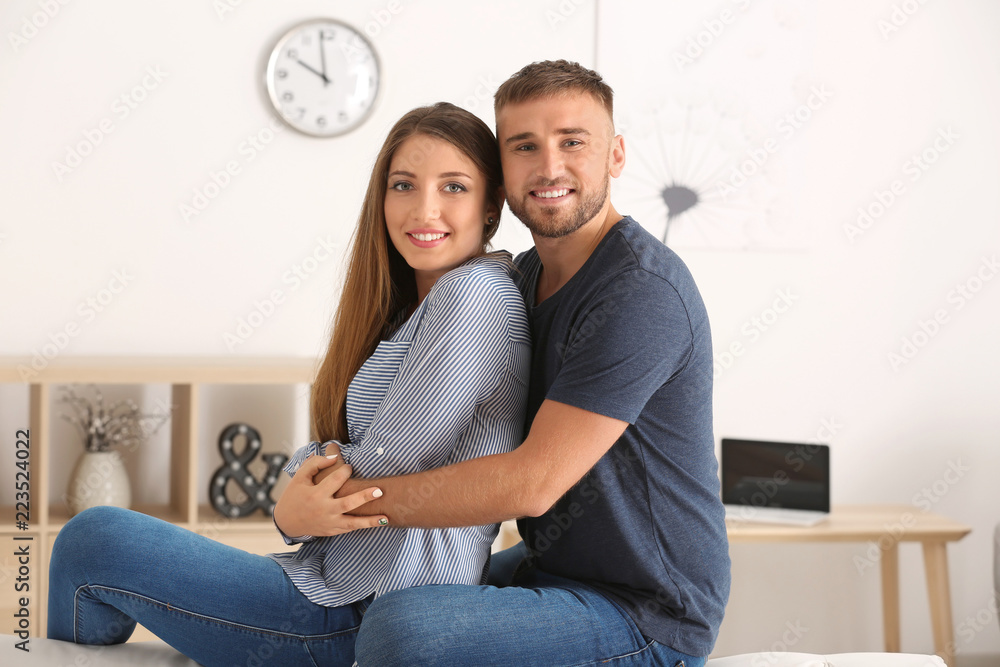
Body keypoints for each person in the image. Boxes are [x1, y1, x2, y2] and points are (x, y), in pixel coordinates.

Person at [46, 102, 531, 667]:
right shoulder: (412, 308)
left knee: (93, 540)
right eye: (404, 185)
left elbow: (380, 468)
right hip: (328, 589)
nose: (425, 208)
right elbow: (344, 458)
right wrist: (293, 502)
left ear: (491, 205)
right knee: (93, 545)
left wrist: (293, 498)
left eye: (454, 186)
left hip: (365, 615)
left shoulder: (474, 294)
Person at [321, 60, 731, 667]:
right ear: (501, 171)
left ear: (616, 155)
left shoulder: (640, 292)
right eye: (524, 146)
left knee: (403, 628)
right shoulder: (525, 277)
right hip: (554, 570)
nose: (548, 167)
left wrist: (346, 506)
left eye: (572, 143)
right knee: (368, 604)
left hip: (647, 614)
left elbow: (531, 484)